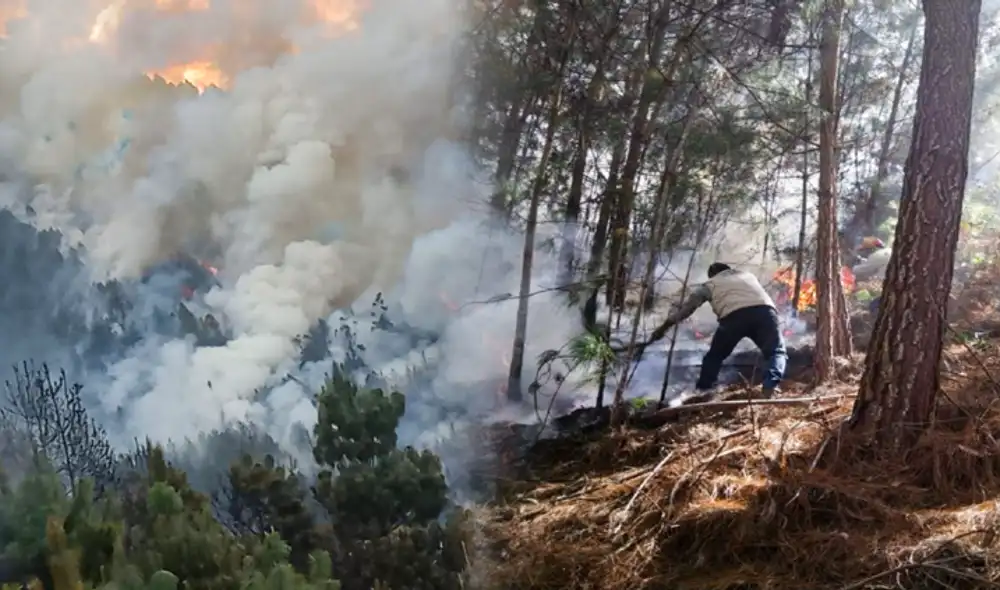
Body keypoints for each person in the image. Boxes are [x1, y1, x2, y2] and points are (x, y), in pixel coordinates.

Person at [644, 262, 788, 398]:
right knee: (776, 352)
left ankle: (703, 391)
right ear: (728, 270)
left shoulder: (709, 285)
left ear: (712, 275)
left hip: (734, 318)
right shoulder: (748, 276)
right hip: (766, 314)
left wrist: (664, 327)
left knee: (714, 357)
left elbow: (686, 311)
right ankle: (771, 385)